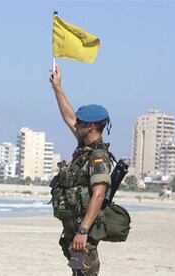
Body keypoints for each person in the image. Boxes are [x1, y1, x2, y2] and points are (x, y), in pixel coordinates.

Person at [50, 65, 113, 276]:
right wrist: (57, 87)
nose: (76, 125)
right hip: (75, 231)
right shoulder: (84, 149)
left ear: (91, 127)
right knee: (77, 273)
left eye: (81, 123)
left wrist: (83, 231)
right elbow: (69, 117)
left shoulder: (98, 156)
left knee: (85, 273)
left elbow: (99, 194)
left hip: (83, 234)